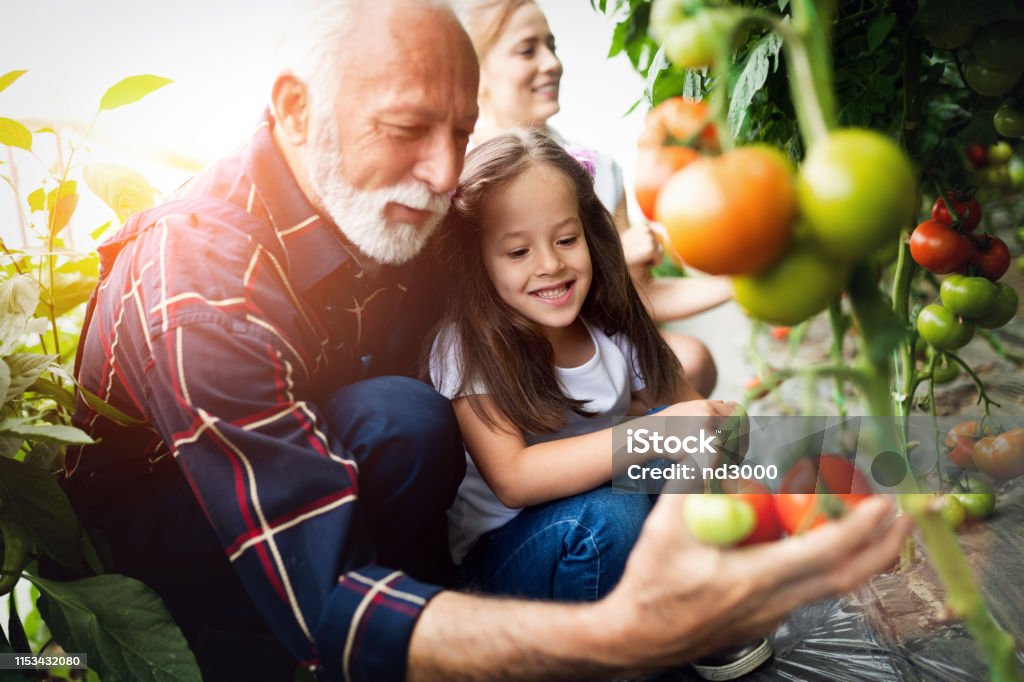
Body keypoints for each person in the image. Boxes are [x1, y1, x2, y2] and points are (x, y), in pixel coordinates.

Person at [59, 1, 911, 681]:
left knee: (404, 418)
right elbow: (329, 598)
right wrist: (620, 636)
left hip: (348, 462)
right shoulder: (201, 288)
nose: (440, 173)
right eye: (404, 128)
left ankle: (453, 604)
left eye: (461, 131)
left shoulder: (409, 208)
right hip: (199, 537)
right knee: (499, 482)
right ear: (294, 107)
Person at [429, 129, 772, 679]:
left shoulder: (612, 330)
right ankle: (603, 660)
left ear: (590, 235)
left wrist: (720, 429)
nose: (549, 265)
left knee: (687, 444)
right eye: (518, 251)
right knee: (608, 517)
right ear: (479, 261)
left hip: (603, 526)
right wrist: (654, 435)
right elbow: (513, 477)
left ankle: (689, 615)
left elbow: (697, 425)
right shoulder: (467, 345)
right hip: (512, 562)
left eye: (566, 240)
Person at [458, 0, 733, 397]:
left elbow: (640, 297)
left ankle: (628, 447)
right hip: (511, 366)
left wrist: (741, 284)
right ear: (477, 72)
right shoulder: (460, 182)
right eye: (527, 49)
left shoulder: (601, 170)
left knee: (692, 361)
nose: (552, 63)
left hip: (594, 353)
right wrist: (611, 259)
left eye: (552, 46)